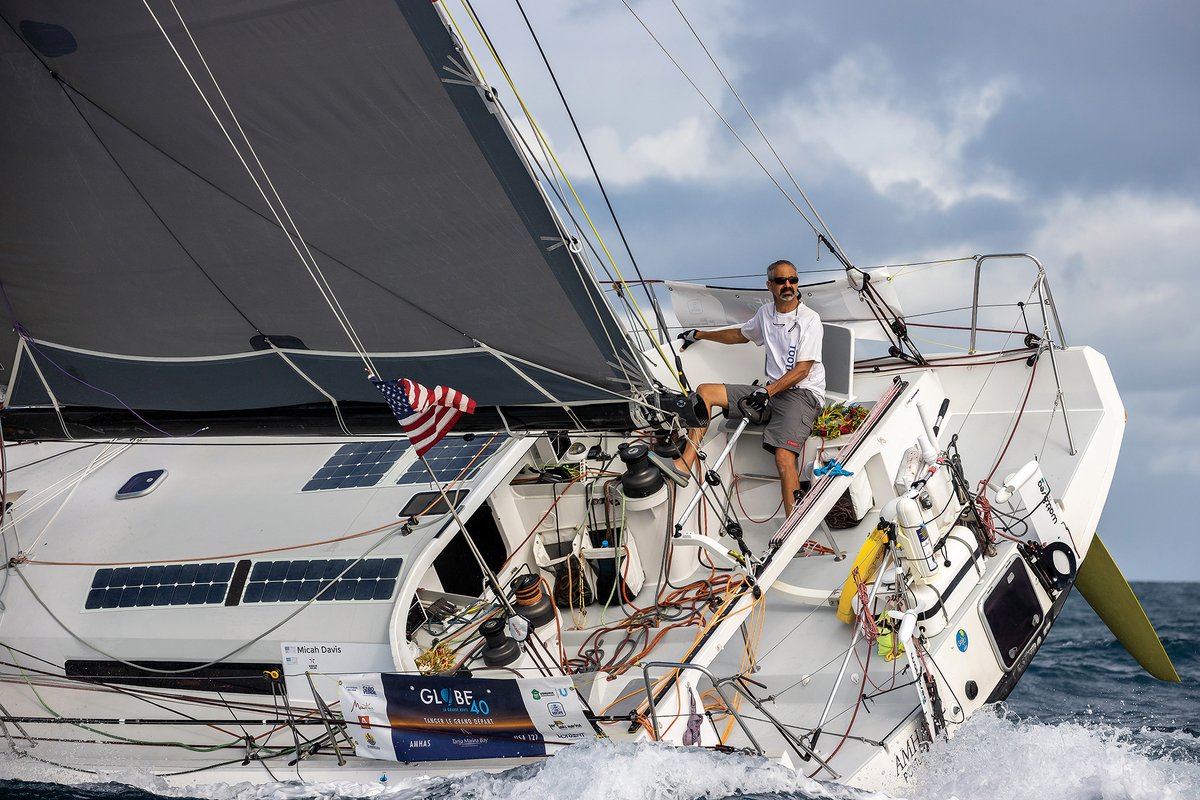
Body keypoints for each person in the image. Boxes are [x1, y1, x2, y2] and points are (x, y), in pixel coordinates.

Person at [677, 259, 825, 515]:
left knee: (783, 456)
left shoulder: (810, 320)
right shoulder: (766, 313)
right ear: (770, 285)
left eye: (793, 280)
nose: (788, 285)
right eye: (781, 281)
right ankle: (684, 465)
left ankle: (792, 530)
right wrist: (699, 334)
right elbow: (739, 335)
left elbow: (803, 370)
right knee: (705, 392)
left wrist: (767, 392)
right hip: (771, 392)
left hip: (802, 394)